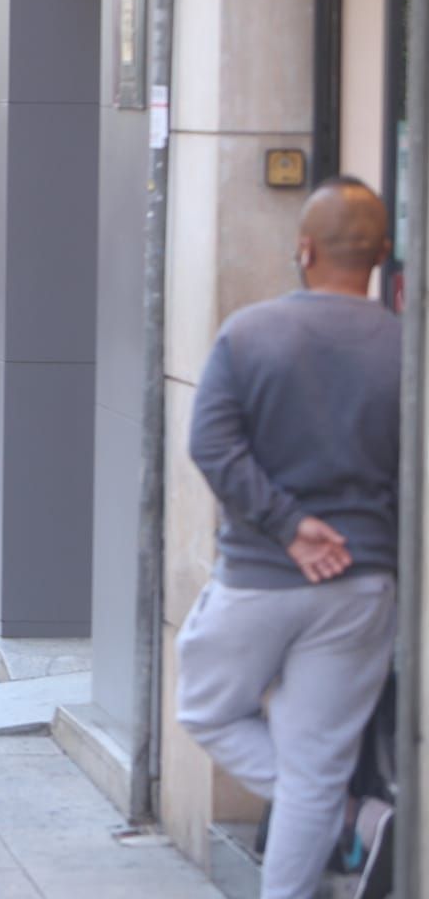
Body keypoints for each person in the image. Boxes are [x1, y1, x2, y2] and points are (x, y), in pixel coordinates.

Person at [176, 178, 402, 899]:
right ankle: (348, 812)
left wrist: (289, 525)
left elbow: (211, 445)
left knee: (207, 709)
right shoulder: (407, 347)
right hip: (363, 582)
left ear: (302, 248)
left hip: (258, 578)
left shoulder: (251, 332)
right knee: (315, 766)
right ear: (384, 254)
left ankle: (350, 812)